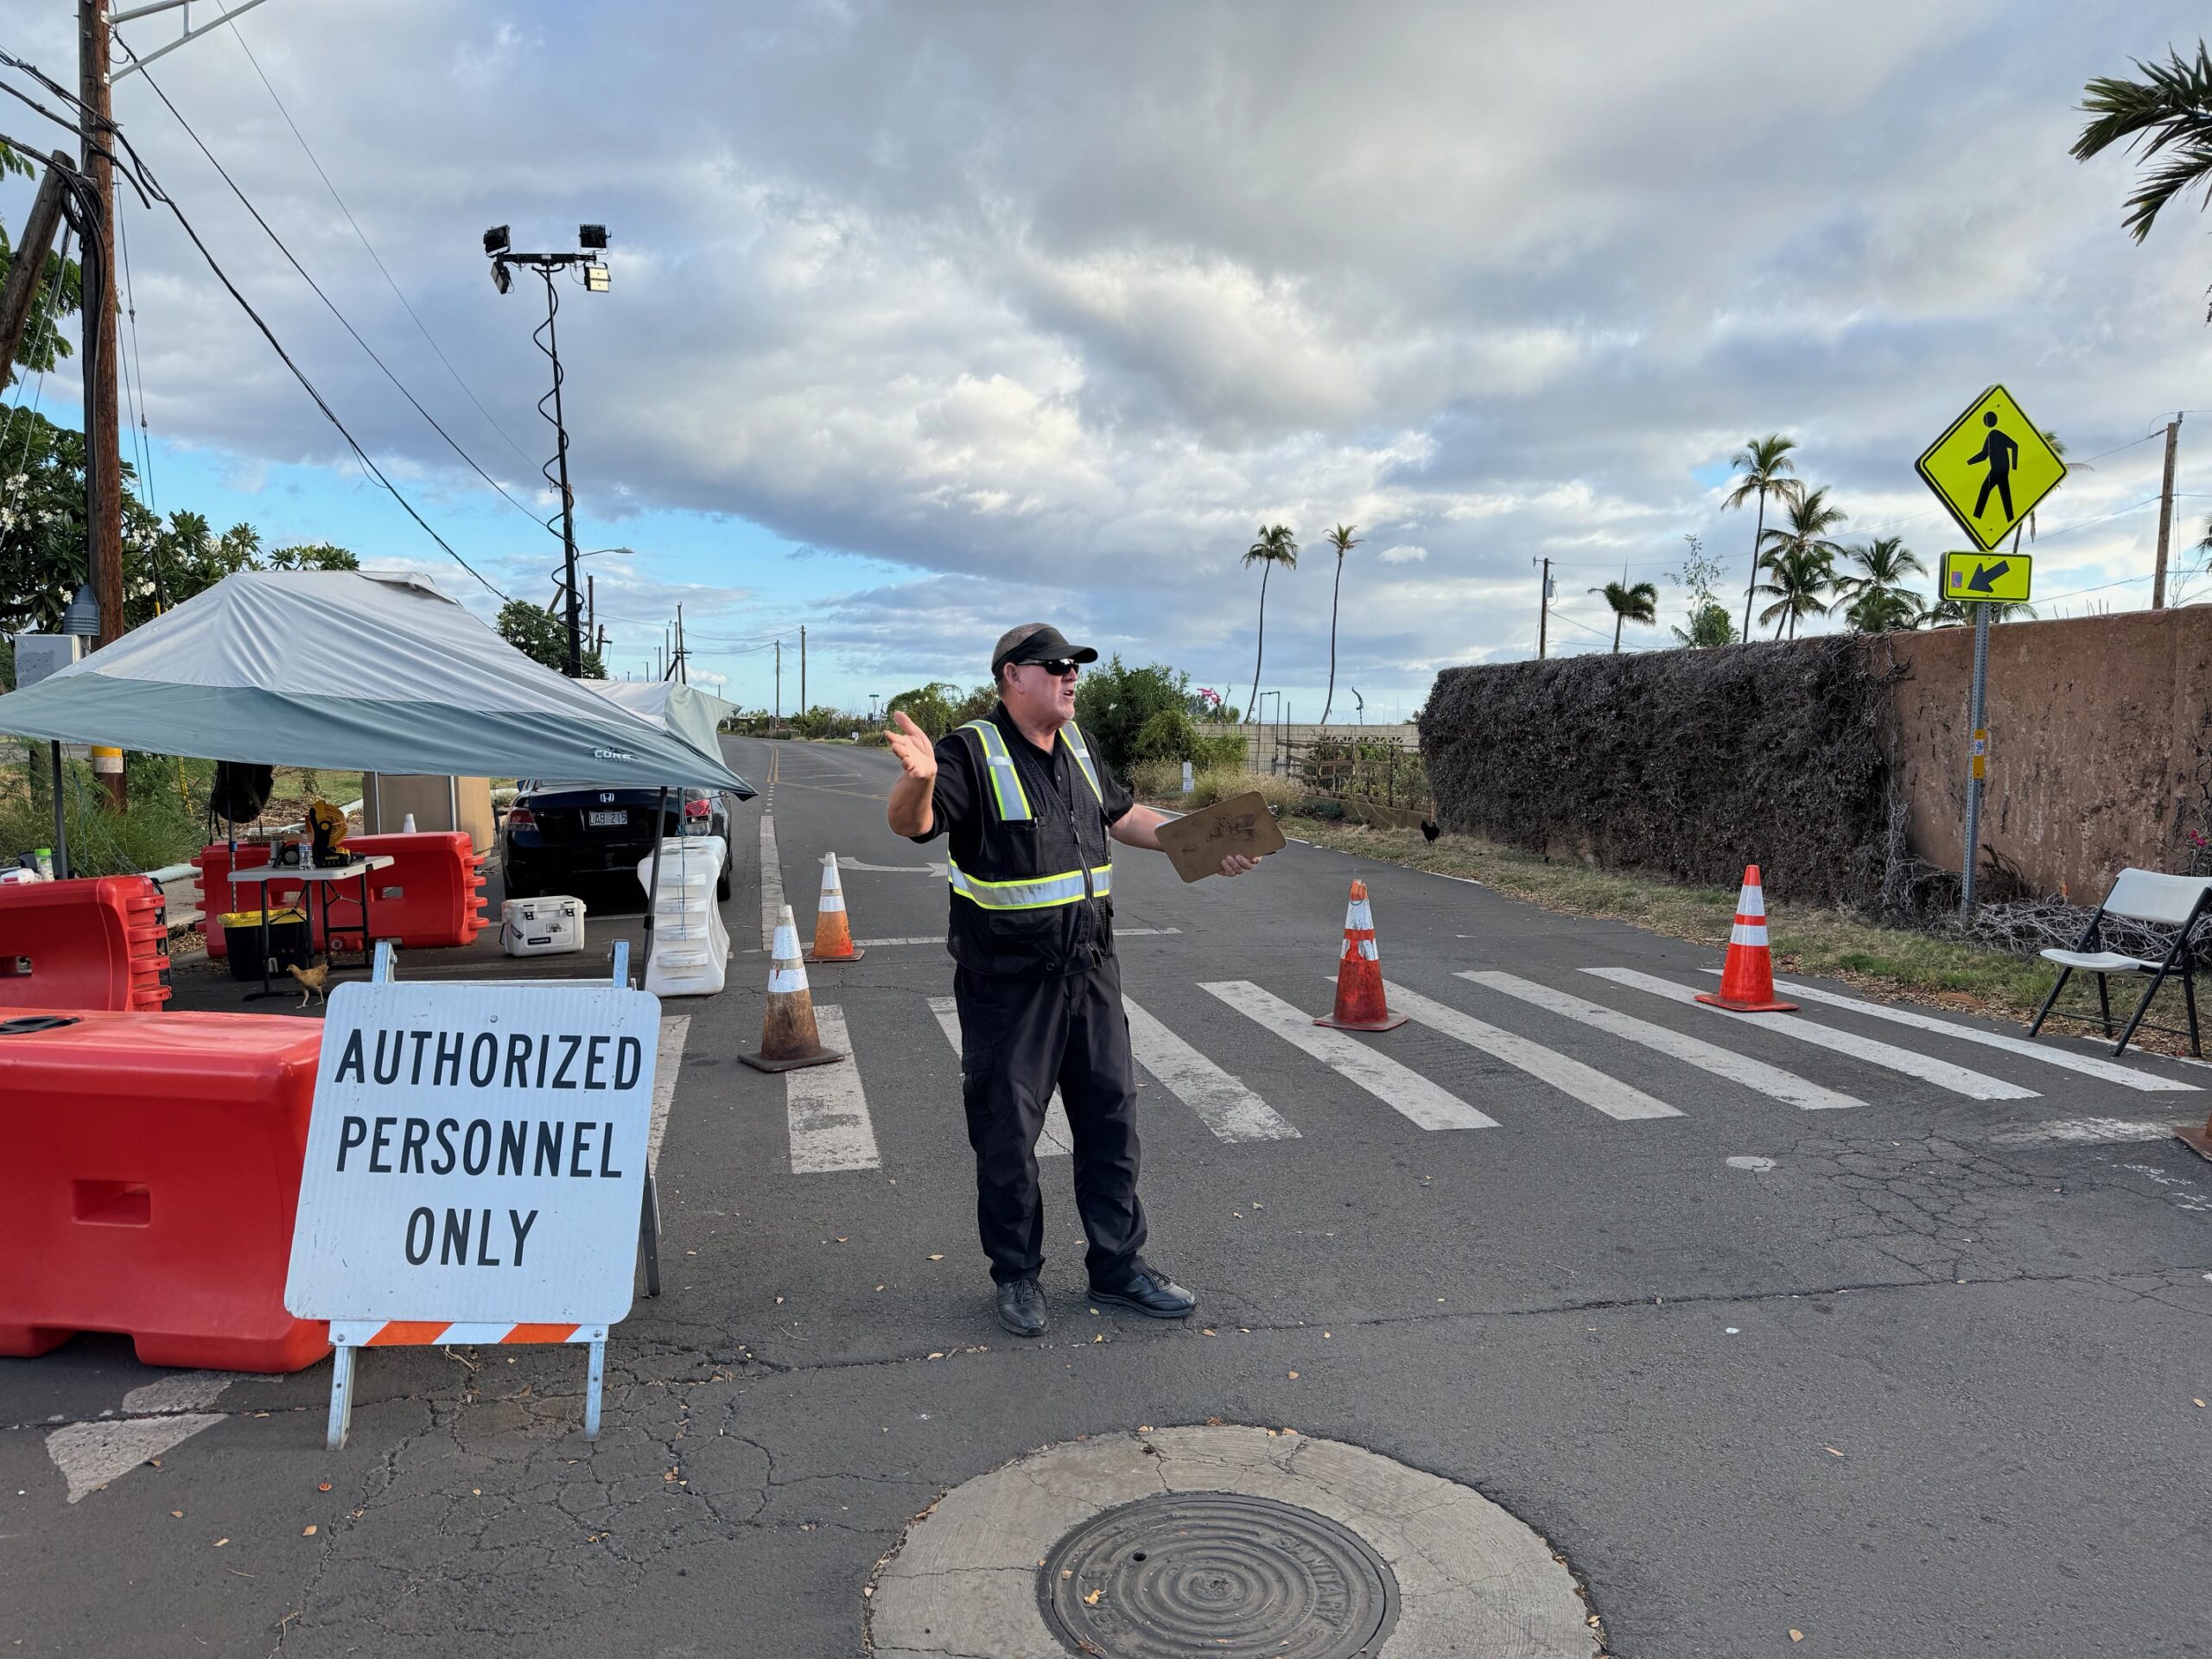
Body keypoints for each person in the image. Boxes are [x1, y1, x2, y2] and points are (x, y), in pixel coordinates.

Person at [885, 623, 1257, 1338]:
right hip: (1009, 986)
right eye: (1054, 666)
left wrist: (1209, 842)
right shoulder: (972, 752)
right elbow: (913, 823)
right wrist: (919, 783)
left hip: (1091, 974)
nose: (1070, 675)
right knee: (1008, 1137)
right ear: (1011, 677)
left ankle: (1117, 1267)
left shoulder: (1080, 748)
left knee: (1111, 1124)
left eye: (1075, 666)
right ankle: (1018, 1275)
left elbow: (1126, 817)